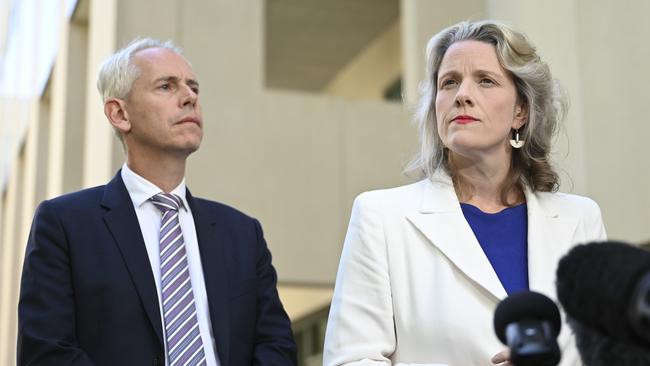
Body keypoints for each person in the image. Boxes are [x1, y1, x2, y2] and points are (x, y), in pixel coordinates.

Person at [323, 20, 606, 366]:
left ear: (521, 111)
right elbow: (351, 360)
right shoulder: (381, 217)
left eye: (485, 80)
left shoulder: (581, 220)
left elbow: (604, 353)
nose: (462, 95)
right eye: (449, 83)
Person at [17, 38, 297, 366]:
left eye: (193, 87)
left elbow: (276, 346)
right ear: (119, 113)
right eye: (167, 86)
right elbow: (47, 353)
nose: (190, 97)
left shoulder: (243, 234)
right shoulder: (64, 224)